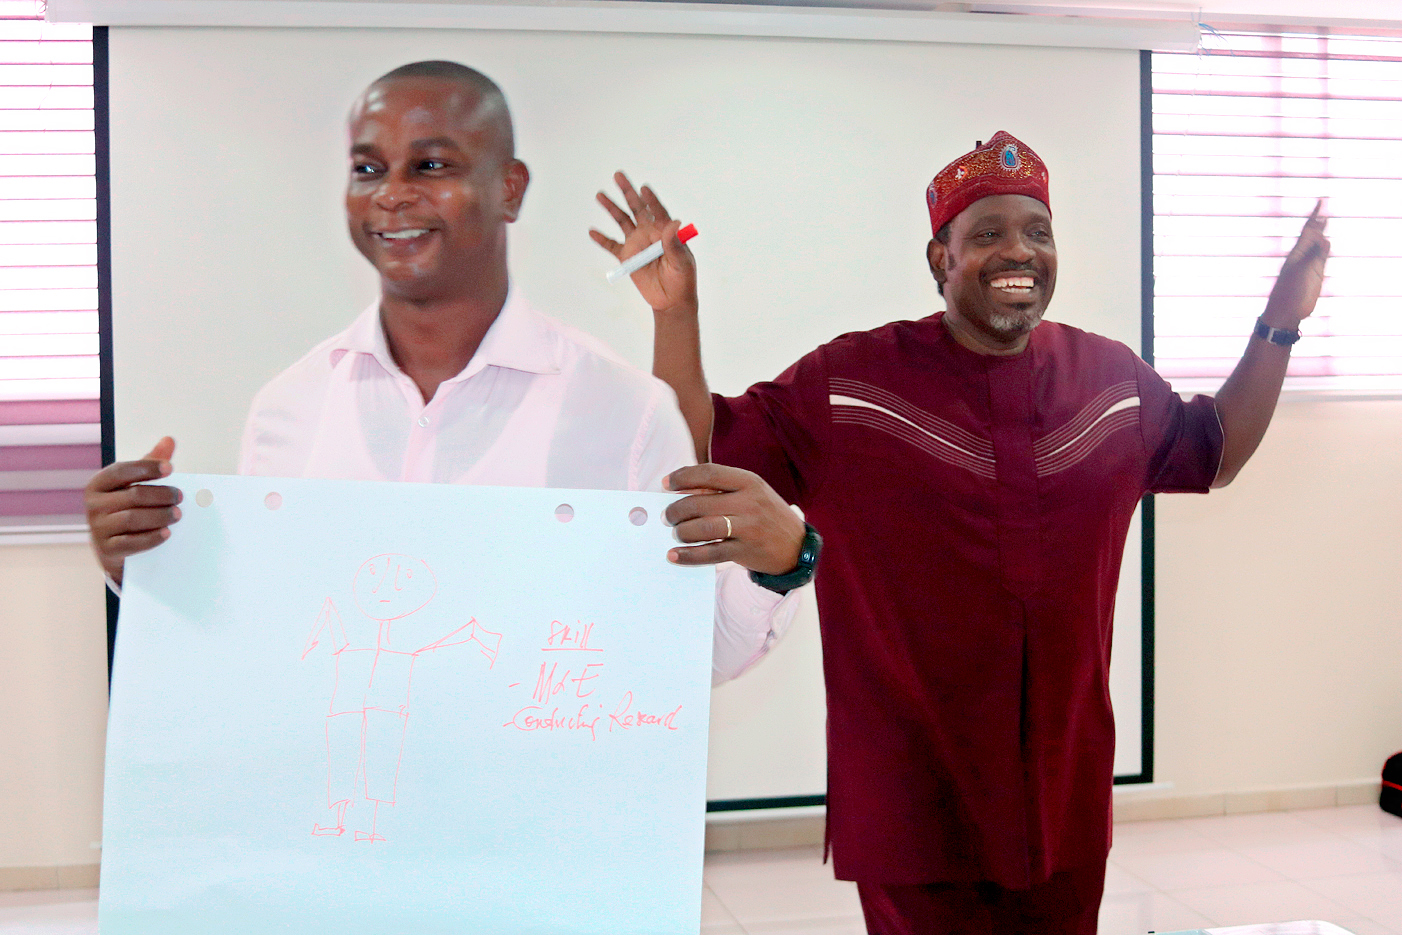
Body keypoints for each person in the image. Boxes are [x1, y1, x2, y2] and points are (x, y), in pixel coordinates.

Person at [594, 132, 1330, 934]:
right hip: (915, 804)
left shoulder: (1110, 383)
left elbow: (1215, 448)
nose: (1019, 250)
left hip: (1063, 795)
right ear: (939, 259)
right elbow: (700, 448)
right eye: (987, 233)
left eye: (1037, 231)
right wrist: (678, 314)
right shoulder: (853, 385)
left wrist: (1279, 321)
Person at [83, 60, 811, 689]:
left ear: (510, 189)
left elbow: (690, 653)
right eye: (368, 168)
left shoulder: (626, 411)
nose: (392, 194)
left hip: (534, 835)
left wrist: (782, 562)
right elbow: (267, 631)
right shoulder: (290, 408)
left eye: (431, 165)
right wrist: (144, 568)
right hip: (343, 832)